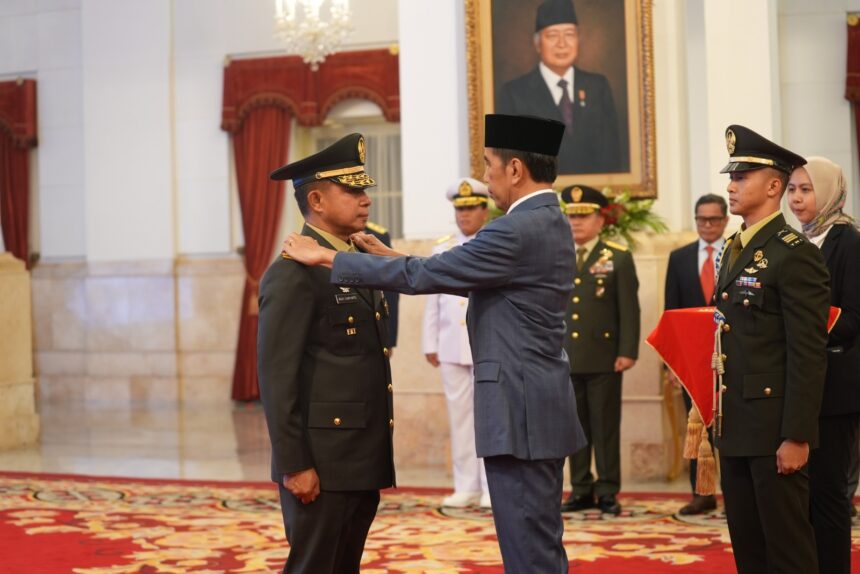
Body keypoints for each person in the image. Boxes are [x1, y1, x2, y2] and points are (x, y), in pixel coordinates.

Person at [283, 113, 587, 573]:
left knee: (529, 551)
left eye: (488, 165)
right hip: (537, 406)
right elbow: (473, 278)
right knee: (538, 543)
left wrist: (328, 256)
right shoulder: (549, 221)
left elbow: (427, 275)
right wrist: (395, 257)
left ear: (515, 170)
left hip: (519, 411)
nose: (485, 178)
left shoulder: (514, 228)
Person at [257, 133, 395, 574]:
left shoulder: (353, 259)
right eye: (352, 190)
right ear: (315, 199)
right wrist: (294, 463)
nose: (365, 199)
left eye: (364, 189)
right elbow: (277, 378)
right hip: (322, 461)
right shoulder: (293, 274)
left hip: (358, 455)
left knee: (344, 566)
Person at [714, 124, 830, 574]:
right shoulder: (734, 247)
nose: (731, 185)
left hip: (774, 426)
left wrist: (797, 434)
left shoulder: (792, 252)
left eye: (741, 177)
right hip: (736, 421)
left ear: (774, 186)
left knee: (787, 549)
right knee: (750, 547)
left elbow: (807, 351)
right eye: (732, 176)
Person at [787, 156, 860, 574]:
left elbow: (852, 318)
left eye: (807, 190)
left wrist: (798, 328)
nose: (797, 199)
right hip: (800, 383)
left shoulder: (848, 241)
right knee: (802, 494)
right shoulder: (798, 241)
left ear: (829, 191)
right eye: (793, 189)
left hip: (835, 387)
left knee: (830, 493)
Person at [558, 184, 640, 515]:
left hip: (605, 358)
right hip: (564, 357)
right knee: (574, 427)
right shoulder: (556, 255)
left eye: (584, 216)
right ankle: (580, 488)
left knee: (605, 427)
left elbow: (629, 310)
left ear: (600, 219)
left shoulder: (616, 257)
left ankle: (607, 488)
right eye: (571, 216)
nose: (576, 223)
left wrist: (627, 350)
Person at [422, 177, 491, 509]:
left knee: (488, 417)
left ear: (484, 209)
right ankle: (467, 485)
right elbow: (433, 296)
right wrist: (430, 341)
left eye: (470, 209)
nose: (464, 216)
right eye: (459, 210)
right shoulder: (443, 247)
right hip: (451, 345)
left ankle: (492, 487)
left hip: (486, 345)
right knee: (460, 418)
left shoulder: (493, 243)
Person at [496, 0, 623, 174]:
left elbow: (613, 156)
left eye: (569, 34)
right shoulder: (514, 94)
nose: (562, 44)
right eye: (552, 35)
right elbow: (507, 163)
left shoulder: (597, 87)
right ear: (537, 43)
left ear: (578, 40)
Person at [663, 193, 728, 515]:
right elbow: (670, 314)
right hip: (691, 361)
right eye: (701, 219)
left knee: (730, 427)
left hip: (730, 357)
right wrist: (671, 365)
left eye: (714, 219)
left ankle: (735, 494)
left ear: (725, 221)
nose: (707, 225)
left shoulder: (736, 253)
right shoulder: (680, 258)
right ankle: (701, 494)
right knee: (696, 428)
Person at [365, 221, 400, 351]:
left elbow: (389, 291)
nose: (365, 202)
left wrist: (388, 338)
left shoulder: (379, 235)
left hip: (373, 331)